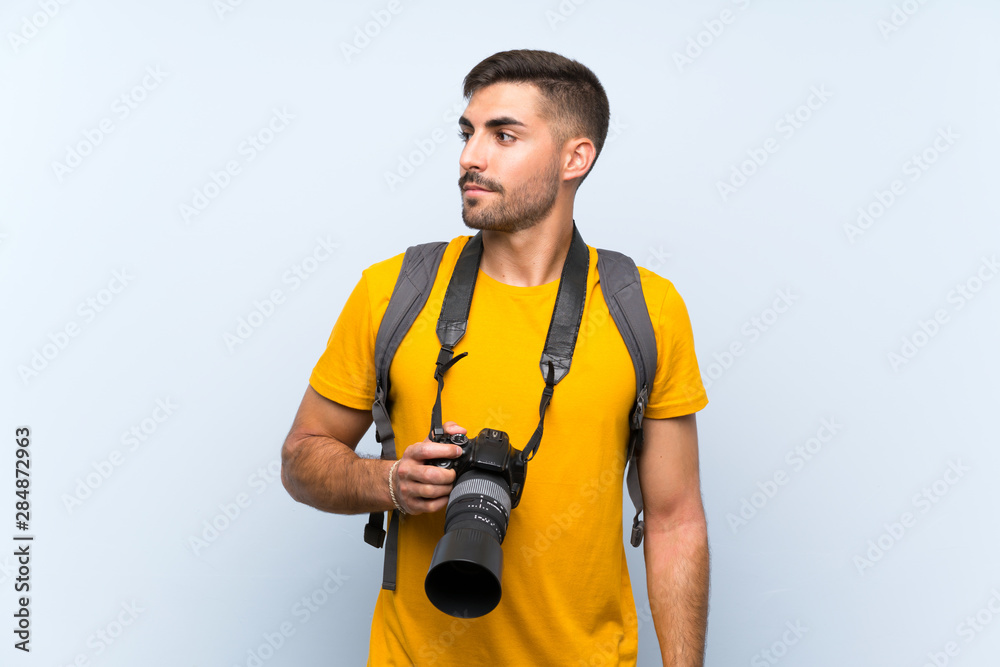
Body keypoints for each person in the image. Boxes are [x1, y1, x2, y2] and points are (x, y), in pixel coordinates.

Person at [281, 49, 710, 666]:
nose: (470, 157)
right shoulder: (393, 291)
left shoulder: (647, 309)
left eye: (503, 135)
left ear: (575, 157)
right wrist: (391, 481)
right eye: (468, 132)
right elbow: (302, 457)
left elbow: (674, 521)